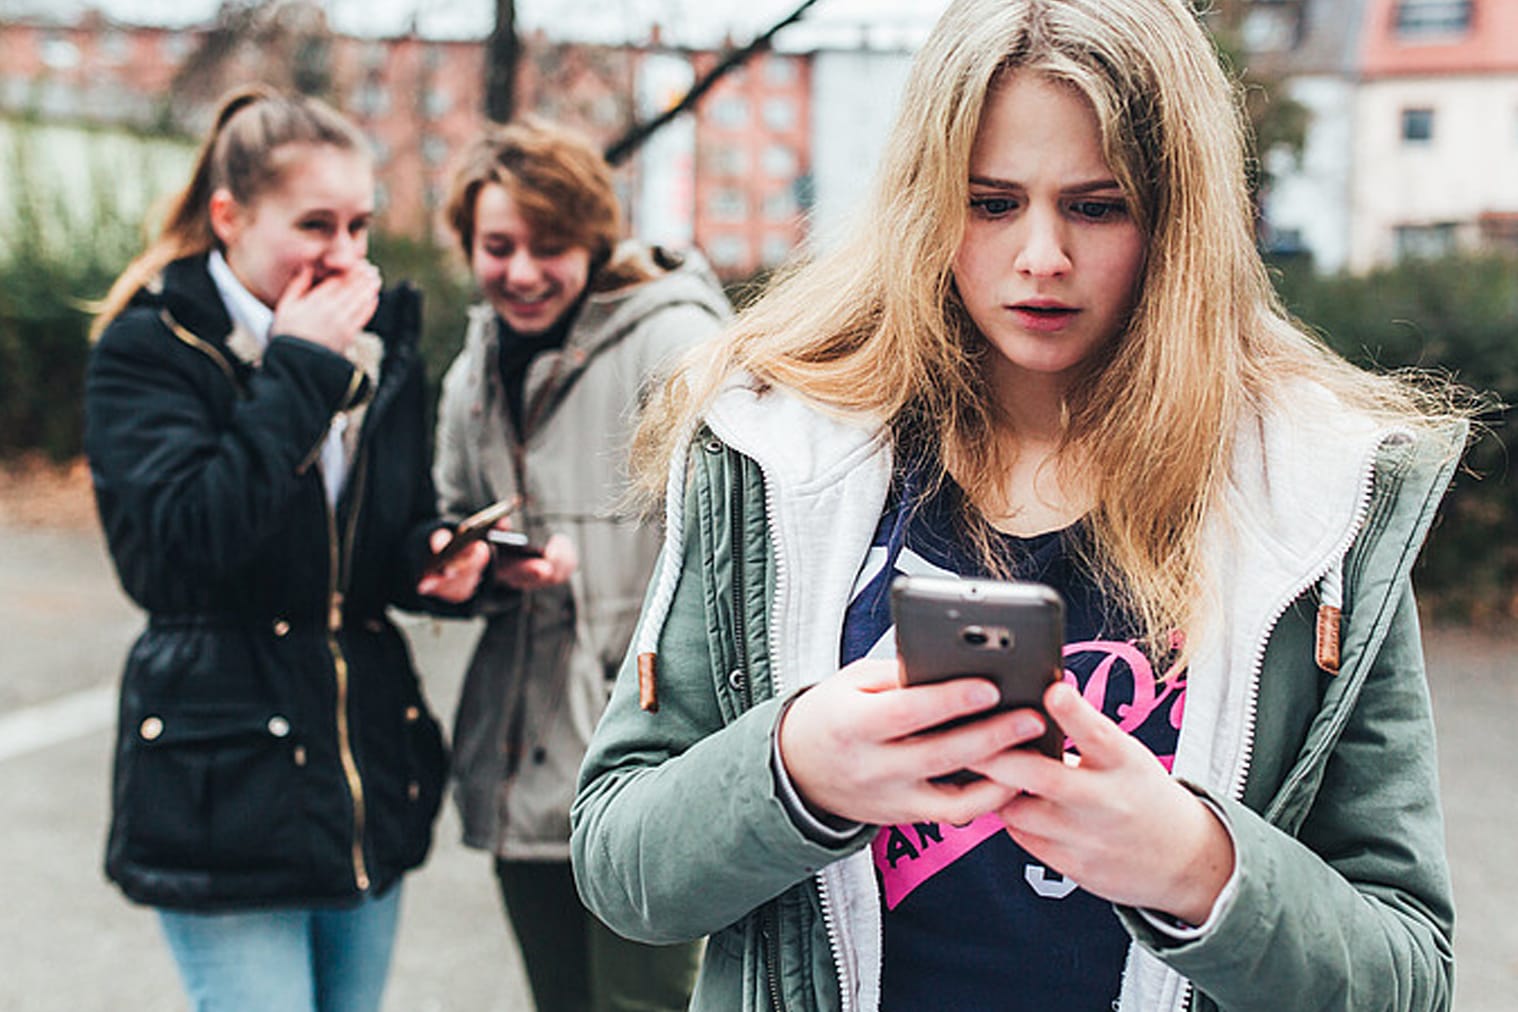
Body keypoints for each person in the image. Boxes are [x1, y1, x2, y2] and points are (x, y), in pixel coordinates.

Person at [570, 1, 1471, 1010]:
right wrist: (795, 768)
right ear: (924, 200)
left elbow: (1407, 974)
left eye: (1097, 205)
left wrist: (1198, 867)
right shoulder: (776, 450)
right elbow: (621, 865)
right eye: (992, 202)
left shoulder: (1316, 491)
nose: (1041, 254)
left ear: (1179, 216)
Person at [84, 85, 491, 1012]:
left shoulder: (379, 334)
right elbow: (180, 550)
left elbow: (383, 533)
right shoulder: (150, 345)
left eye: (360, 225)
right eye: (316, 225)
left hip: (357, 765)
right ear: (229, 217)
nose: (346, 255)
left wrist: (438, 560)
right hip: (218, 769)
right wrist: (301, 370)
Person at [432, 118, 730, 1011]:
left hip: (647, 752)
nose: (521, 272)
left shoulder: (674, 341)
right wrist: (474, 568)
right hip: (524, 749)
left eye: (549, 245)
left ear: (594, 241)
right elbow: (450, 517)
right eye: (497, 246)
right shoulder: (475, 364)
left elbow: (742, 543)